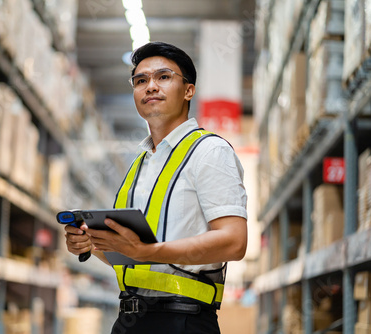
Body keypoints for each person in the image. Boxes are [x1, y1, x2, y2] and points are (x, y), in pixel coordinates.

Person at [64, 41, 248, 334]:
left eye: (163, 77)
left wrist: (146, 251)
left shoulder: (210, 152)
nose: (150, 86)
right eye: (141, 80)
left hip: (183, 321)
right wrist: (92, 244)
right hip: (129, 318)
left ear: (188, 90)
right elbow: (132, 256)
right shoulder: (140, 165)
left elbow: (234, 241)